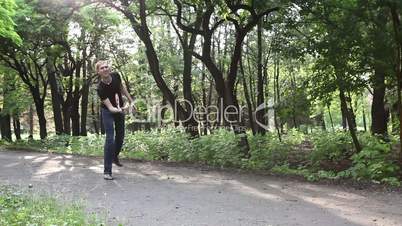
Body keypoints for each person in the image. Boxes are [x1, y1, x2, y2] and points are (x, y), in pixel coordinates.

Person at [96, 60, 134, 180]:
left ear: (110, 69)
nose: (105, 69)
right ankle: (107, 171)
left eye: (106, 67)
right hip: (108, 112)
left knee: (120, 137)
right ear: (98, 72)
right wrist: (123, 109)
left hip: (119, 108)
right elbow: (111, 108)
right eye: (102, 68)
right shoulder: (100, 88)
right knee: (110, 138)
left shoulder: (116, 76)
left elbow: (121, 88)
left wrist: (131, 101)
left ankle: (114, 156)